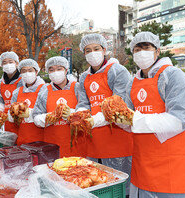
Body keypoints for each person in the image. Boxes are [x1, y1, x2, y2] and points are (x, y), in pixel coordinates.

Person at [122, 32, 185, 198]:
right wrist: (117, 118)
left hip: (172, 160)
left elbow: (179, 120)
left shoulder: (173, 75)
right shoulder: (132, 82)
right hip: (143, 158)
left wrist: (135, 120)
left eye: (146, 47)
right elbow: (126, 118)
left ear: (157, 51)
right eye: (137, 49)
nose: (141, 52)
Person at [76, 33, 133, 193]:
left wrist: (95, 120)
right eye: (88, 50)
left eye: (96, 49)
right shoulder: (84, 77)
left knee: (119, 187)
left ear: (104, 49)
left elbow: (118, 104)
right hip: (94, 139)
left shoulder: (118, 71)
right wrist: (80, 115)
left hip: (117, 136)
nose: (92, 53)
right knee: (98, 185)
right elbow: (83, 103)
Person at [33, 56, 85, 157]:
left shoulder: (77, 87)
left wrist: (72, 114)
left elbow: (86, 111)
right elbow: (36, 116)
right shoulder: (44, 91)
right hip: (52, 145)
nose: (55, 72)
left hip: (76, 143)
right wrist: (49, 118)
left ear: (66, 70)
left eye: (59, 69)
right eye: (51, 70)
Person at [9, 59, 45, 145]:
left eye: (30, 70)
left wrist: (31, 113)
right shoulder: (17, 92)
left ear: (36, 72)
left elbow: (49, 113)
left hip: (41, 140)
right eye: (24, 71)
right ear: (20, 74)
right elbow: (12, 115)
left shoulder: (44, 89)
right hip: (22, 138)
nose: (27, 73)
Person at [0, 51, 23, 134]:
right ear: (1, 65)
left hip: (22, 119)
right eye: (4, 62)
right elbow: (1, 102)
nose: (8, 65)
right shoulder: (0, 83)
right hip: (7, 120)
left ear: (17, 63)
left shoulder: (23, 80)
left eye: (11, 62)